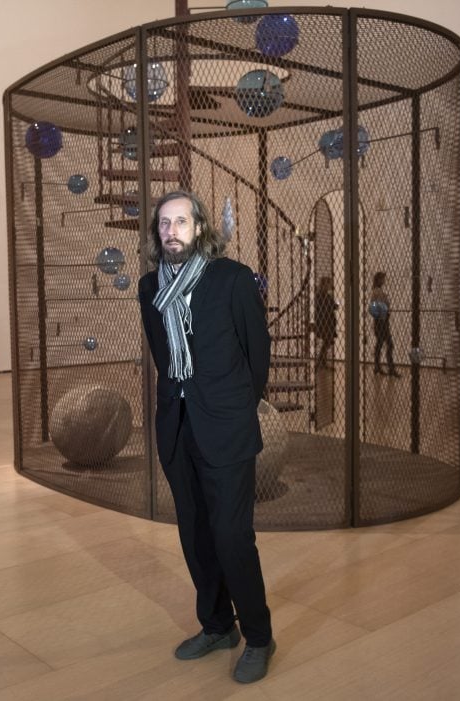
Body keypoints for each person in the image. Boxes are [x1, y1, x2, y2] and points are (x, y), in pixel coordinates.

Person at [138, 191, 275, 684]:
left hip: (226, 429)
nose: (171, 230)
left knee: (231, 537)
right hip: (177, 428)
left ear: (199, 229)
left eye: (181, 221)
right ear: (158, 234)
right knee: (196, 537)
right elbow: (162, 355)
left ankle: (259, 636)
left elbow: (257, 357)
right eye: (163, 224)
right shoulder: (149, 287)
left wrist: (234, 407)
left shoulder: (233, 280)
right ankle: (218, 626)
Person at [369, 271, 400, 377]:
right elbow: (373, 308)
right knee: (388, 344)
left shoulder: (378, 291)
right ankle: (389, 368)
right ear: (378, 280)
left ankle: (378, 367)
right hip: (381, 322)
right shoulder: (377, 292)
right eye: (383, 278)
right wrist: (382, 316)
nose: (384, 280)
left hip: (382, 321)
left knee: (381, 344)